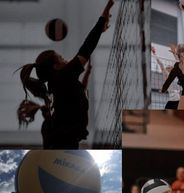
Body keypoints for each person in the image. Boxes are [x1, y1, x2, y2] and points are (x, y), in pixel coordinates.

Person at [17, 0, 114, 149]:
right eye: (61, 57)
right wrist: (103, 16)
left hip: (59, 141)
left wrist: (87, 75)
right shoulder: (62, 77)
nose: (66, 59)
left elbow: (76, 94)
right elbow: (87, 48)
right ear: (56, 66)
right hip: (61, 142)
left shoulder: (56, 86)